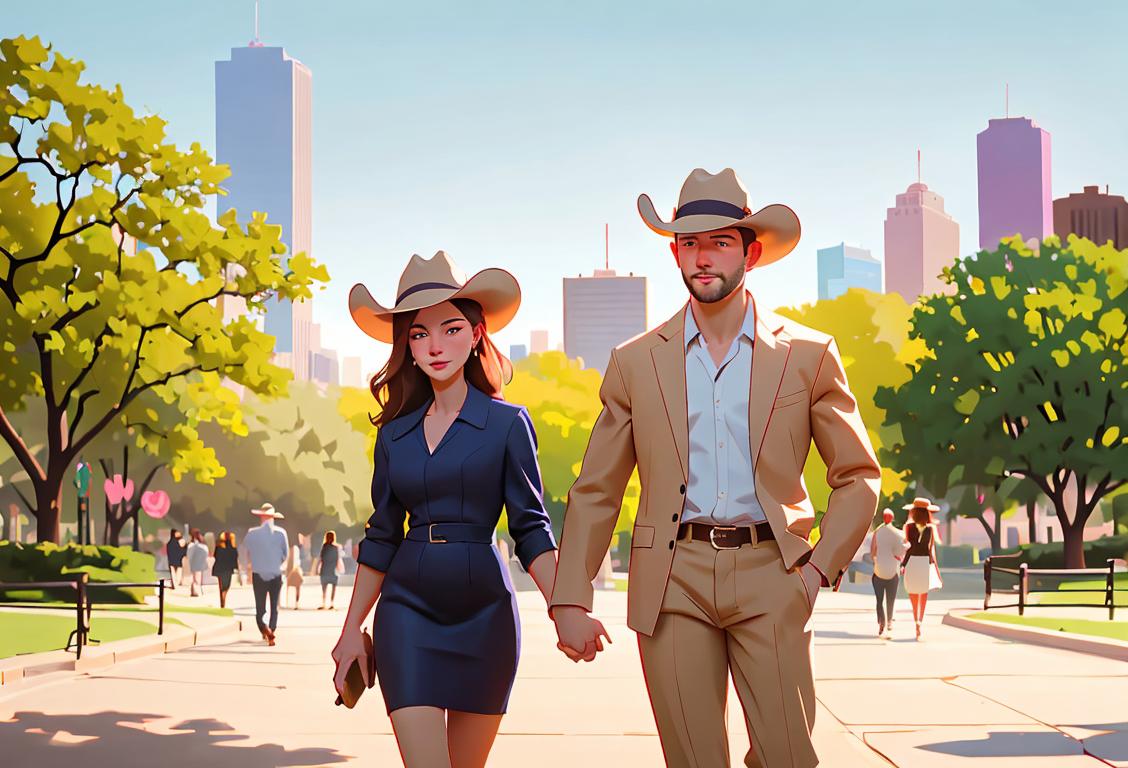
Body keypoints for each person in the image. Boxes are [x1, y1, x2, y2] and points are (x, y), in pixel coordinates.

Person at [549, 168, 881, 768]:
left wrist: (814, 575)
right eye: (689, 243)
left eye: (719, 242)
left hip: (773, 571)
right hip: (671, 577)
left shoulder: (808, 356)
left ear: (751, 253)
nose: (702, 257)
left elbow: (858, 477)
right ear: (676, 252)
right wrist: (570, 597)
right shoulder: (634, 363)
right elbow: (597, 490)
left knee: (788, 757)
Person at [333, 251, 558, 768]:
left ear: (477, 334)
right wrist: (350, 631)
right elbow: (381, 535)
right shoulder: (393, 434)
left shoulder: (508, 424)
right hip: (406, 612)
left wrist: (563, 607)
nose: (435, 346)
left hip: (486, 615)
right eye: (418, 333)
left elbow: (531, 528)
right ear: (405, 345)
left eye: (451, 329)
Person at [244, 503, 289, 645]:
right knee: (274, 605)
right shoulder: (281, 533)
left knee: (260, 606)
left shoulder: (252, 533)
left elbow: (246, 551)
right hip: (275, 573)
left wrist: (250, 565)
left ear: (261, 517)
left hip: (258, 573)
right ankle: (272, 630)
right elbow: (285, 554)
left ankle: (265, 629)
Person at [901, 497, 943, 639]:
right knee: (923, 593)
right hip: (924, 562)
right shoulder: (931, 529)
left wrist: (902, 564)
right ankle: (920, 620)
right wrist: (936, 570)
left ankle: (915, 620)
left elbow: (906, 547)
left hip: (912, 562)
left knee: (913, 593)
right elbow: (932, 551)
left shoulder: (908, 527)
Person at [870, 508, 908, 637]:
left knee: (879, 600)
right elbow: (901, 552)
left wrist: (876, 560)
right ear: (892, 518)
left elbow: (873, 551)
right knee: (890, 599)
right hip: (892, 571)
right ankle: (889, 621)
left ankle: (881, 621)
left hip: (879, 571)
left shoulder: (877, 532)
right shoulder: (898, 534)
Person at [316, 530, 343, 610]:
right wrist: (338, 568)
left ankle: (324, 603)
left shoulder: (324, 547)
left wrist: (318, 568)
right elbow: (337, 559)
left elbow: (321, 559)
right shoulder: (335, 547)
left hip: (324, 569)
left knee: (324, 588)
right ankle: (331, 603)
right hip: (333, 570)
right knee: (333, 587)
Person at [212, 531, 240, 609]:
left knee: (222, 586)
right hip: (227, 569)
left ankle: (222, 600)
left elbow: (215, 556)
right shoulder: (232, 547)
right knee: (226, 585)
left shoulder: (219, 546)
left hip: (219, 568)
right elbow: (235, 558)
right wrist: (236, 568)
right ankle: (223, 600)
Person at [186, 528, 209, 597]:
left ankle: (194, 590)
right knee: (198, 578)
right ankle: (196, 591)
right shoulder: (203, 545)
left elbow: (188, 555)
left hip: (193, 563)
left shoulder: (191, 545)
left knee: (194, 577)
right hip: (200, 562)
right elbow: (206, 553)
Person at [285, 543, 305, 609]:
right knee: (297, 587)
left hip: (291, 570)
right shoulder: (296, 548)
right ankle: (296, 603)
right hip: (295, 570)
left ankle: (288, 602)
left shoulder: (289, 548)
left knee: (289, 586)